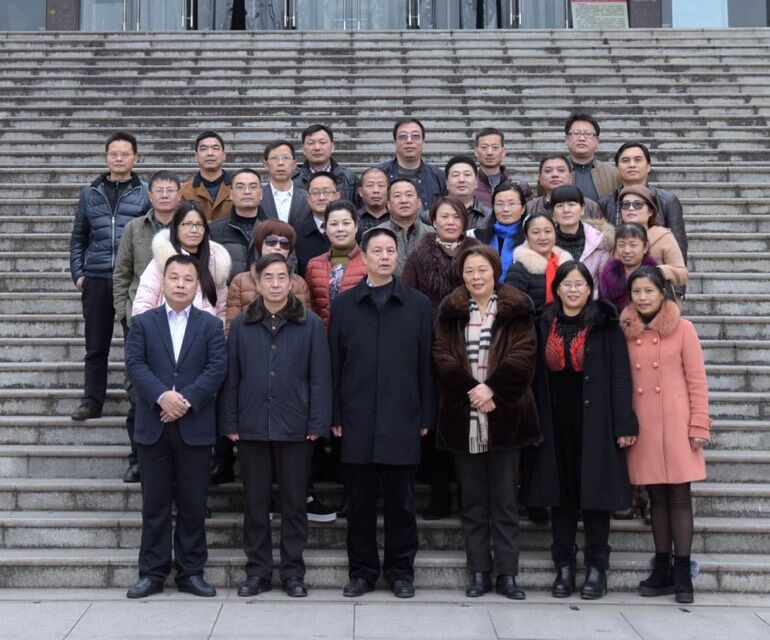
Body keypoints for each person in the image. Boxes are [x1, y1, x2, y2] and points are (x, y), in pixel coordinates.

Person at [329, 227, 436, 599]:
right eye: (377, 250)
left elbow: (426, 365)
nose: (385, 256)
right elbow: (334, 364)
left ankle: (400, 571)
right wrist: (335, 413)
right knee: (359, 503)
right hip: (356, 417)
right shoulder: (345, 305)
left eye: (391, 250)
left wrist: (426, 415)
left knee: (401, 504)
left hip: (402, 416)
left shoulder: (417, 305)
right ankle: (361, 572)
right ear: (364, 255)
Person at [219, 254, 332, 599]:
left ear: (291, 281)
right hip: (252, 424)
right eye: (268, 277)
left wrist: (318, 421)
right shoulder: (242, 324)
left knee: (294, 503)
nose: (275, 284)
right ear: (256, 281)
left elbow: (320, 377)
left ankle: (293, 572)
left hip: (296, 425)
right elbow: (232, 376)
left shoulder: (310, 324)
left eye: (282, 277)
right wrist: (230, 420)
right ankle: (258, 572)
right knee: (255, 503)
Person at [524, 261, 638, 600]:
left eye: (580, 284)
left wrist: (624, 422)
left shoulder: (606, 325)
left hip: (597, 423)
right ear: (557, 288)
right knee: (561, 497)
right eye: (567, 284)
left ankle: (596, 568)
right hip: (554, 423)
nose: (573, 290)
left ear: (590, 289)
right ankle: (563, 566)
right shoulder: (542, 323)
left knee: (595, 497)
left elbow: (620, 376)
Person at [432, 245, 539, 599]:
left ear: (495, 272)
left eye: (482, 270)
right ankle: (479, 571)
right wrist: (472, 390)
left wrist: (492, 389)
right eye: (469, 271)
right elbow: (442, 355)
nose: (476, 277)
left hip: (505, 414)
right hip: (464, 416)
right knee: (473, 501)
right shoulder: (451, 310)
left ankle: (507, 574)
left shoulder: (516, 309)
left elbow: (524, 355)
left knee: (505, 502)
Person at [124, 254, 227, 599]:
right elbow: (135, 364)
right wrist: (161, 397)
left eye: (188, 279)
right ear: (163, 282)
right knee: (154, 505)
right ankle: (152, 573)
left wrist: (184, 401)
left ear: (197, 285)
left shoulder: (210, 325)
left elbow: (217, 368)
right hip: (153, 427)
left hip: (194, 426)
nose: (181, 284)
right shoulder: (143, 323)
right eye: (174, 278)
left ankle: (191, 572)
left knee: (193, 505)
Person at [620, 265, 711, 604]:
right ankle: (661, 566)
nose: (642, 298)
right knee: (656, 496)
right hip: (644, 424)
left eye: (649, 291)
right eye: (637, 292)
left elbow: (697, 381)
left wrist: (699, 424)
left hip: (677, 423)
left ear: (662, 293)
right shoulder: (625, 331)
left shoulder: (683, 329)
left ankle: (682, 571)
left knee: (680, 496)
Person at [402, 197, 479, 520]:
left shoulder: (477, 251)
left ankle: (469, 495)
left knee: (467, 419)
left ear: (464, 221)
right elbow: (408, 298)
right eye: (443, 216)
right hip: (431, 345)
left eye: (456, 216)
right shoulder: (419, 254)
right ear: (433, 221)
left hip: (472, 344)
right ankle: (438, 494)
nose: (450, 222)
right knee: (435, 422)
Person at [69, 131, 150, 421]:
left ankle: (139, 401)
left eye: (125, 154)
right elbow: (79, 237)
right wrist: (79, 273)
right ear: (106, 158)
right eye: (113, 154)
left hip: (133, 279)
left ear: (135, 158)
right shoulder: (90, 193)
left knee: (136, 344)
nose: (119, 158)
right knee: (95, 345)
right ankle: (92, 401)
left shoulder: (146, 193)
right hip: (98, 277)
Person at [113, 170, 181, 482]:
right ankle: (138, 458)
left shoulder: (188, 227)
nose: (165, 195)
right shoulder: (133, 228)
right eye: (159, 190)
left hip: (179, 320)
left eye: (170, 190)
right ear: (149, 195)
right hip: (141, 320)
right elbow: (122, 273)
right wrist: (124, 314)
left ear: (179, 194)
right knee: (139, 390)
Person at [132, 202, 230, 321]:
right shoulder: (162, 261)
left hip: (205, 331)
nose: (194, 230)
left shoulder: (215, 263)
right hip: (165, 329)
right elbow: (142, 305)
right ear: (176, 227)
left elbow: (222, 309)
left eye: (199, 224)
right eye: (187, 224)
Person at [599, 142, 687, 259]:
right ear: (617, 168)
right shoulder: (605, 203)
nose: (632, 165)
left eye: (638, 160)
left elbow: (679, 245)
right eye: (625, 161)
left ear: (648, 166)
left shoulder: (667, 200)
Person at [224, 220, 311, 338]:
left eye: (284, 243)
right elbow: (231, 329)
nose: (278, 247)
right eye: (271, 242)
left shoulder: (300, 283)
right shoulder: (240, 281)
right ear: (260, 244)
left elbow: (307, 327)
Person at [305, 201, 368, 328]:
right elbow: (310, 306)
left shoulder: (369, 263)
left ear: (356, 227)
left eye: (346, 223)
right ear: (326, 229)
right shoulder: (314, 265)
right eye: (334, 224)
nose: (340, 229)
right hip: (322, 335)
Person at [617, 185, 688, 292]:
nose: (631, 208)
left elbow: (682, 274)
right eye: (626, 205)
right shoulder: (615, 237)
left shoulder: (662, 236)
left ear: (650, 211)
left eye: (638, 204)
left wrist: (658, 272)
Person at [504, 212, 572, 313]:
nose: (543, 237)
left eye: (548, 231)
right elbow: (510, 309)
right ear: (526, 237)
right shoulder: (518, 270)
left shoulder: (567, 266)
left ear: (555, 234)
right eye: (536, 232)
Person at [378, 117, 445, 212]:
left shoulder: (438, 176)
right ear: (395, 142)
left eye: (415, 136)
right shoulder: (380, 175)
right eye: (403, 136)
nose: (409, 141)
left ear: (423, 142)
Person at [550, 185, 612, 287]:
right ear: (553, 212)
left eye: (571, 204)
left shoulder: (599, 241)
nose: (566, 210)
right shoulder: (544, 241)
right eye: (559, 206)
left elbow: (604, 286)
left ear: (582, 209)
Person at [208, 168, 265, 279]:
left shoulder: (276, 229)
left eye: (253, 187)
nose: (247, 191)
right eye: (240, 187)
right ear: (230, 194)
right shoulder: (214, 231)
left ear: (261, 194)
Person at [470, 183, 527, 285]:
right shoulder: (474, 236)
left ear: (523, 208)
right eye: (500, 204)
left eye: (511, 204)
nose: (505, 209)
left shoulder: (531, 239)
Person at [377, 177, 433, 277]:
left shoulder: (433, 234)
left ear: (419, 203)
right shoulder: (375, 235)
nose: (403, 200)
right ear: (388, 205)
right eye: (397, 196)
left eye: (409, 195)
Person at [293, 123, 360, 204]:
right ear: (303, 149)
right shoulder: (293, 179)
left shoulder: (349, 178)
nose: (317, 148)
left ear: (332, 147)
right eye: (311, 143)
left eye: (322, 142)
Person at [599, 223, 658, 313]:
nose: (626, 250)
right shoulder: (607, 278)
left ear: (645, 247)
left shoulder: (656, 276)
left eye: (633, 245)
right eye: (621, 245)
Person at [564, 113, 621, 201]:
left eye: (588, 134)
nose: (582, 138)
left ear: (597, 141)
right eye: (576, 133)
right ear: (567, 139)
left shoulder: (613, 174)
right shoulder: (554, 172)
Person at [526, 154, 602, 219]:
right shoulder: (530, 207)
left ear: (570, 177)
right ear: (540, 179)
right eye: (548, 171)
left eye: (561, 170)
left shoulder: (590, 207)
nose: (555, 175)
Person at [294, 171, 339, 276]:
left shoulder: (351, 231)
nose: (321, 197)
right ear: (308, 199)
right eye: (315, 193)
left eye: (327, 192)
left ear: (338, 196)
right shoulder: (296, 234)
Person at [473, 127, 532, 209]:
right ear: (476, 152)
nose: (489, 152)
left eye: (495, 147)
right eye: (484, 147)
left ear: (503, 152)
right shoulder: (469, 186)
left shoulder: (520, 187)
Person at [179, 131, 232, 221]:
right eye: (204, 149)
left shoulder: (238, 188)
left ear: (223, 155)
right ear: (196, 156)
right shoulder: (184, 191)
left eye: (215, 148)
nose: (210, 153)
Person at [260, 140, 311, 227]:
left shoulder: (307, 197)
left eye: (286, 158)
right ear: (265, 165)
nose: (281, 163)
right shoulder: (258, 197)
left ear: (294, 164)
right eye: (274, 158)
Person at [443, 155, 491, 229]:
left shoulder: (489, 216)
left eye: (467, 174)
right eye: (455, 175)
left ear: (476, 181)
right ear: (446, 182)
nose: (461, 180)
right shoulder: (431, 215)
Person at [355, 167, 390, 239]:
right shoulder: (353, 219)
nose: (376, 190)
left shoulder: (397, 218)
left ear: (389, 191)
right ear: (360, 192)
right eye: (370, 185)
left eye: (381, 185)